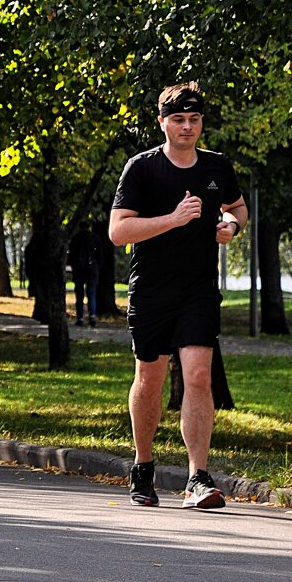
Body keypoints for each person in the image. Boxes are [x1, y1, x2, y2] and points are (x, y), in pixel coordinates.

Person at [108, 82, 247, 510]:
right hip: (151, 291)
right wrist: (172, 219)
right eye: (179, 120)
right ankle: (143, 465)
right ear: (163, 122)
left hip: (198, 291)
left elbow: (238, 208)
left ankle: (197, 478)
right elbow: (118, 231)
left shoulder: (217, 167)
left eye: (195, 120)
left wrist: (232, 227)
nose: (187, 127)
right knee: (150, 379)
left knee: (199, 376)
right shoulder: (142, 168)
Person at [67, 222, 102, 327]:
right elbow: (100, 255)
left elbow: (71, 255)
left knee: (79, 296)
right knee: (91, 294)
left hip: (79, 271)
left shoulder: (75, 238)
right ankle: (92, 316)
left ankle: (80, 318)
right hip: (92, 270)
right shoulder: (95, 238)